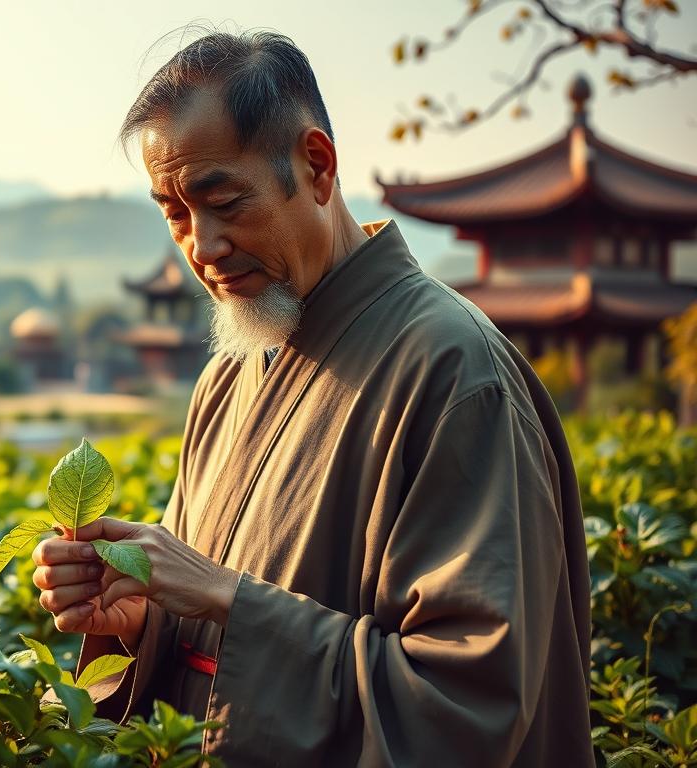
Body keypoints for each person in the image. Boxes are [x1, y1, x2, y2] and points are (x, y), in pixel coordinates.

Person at [30, 30, 593, 766]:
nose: (201, 246)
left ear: (317, 167)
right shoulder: (230, 375)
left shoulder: (454, 372)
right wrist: (146, 619)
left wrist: (225, 595)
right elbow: (207, 625)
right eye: (175, 214)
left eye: (224, 202)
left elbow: (466, 702)